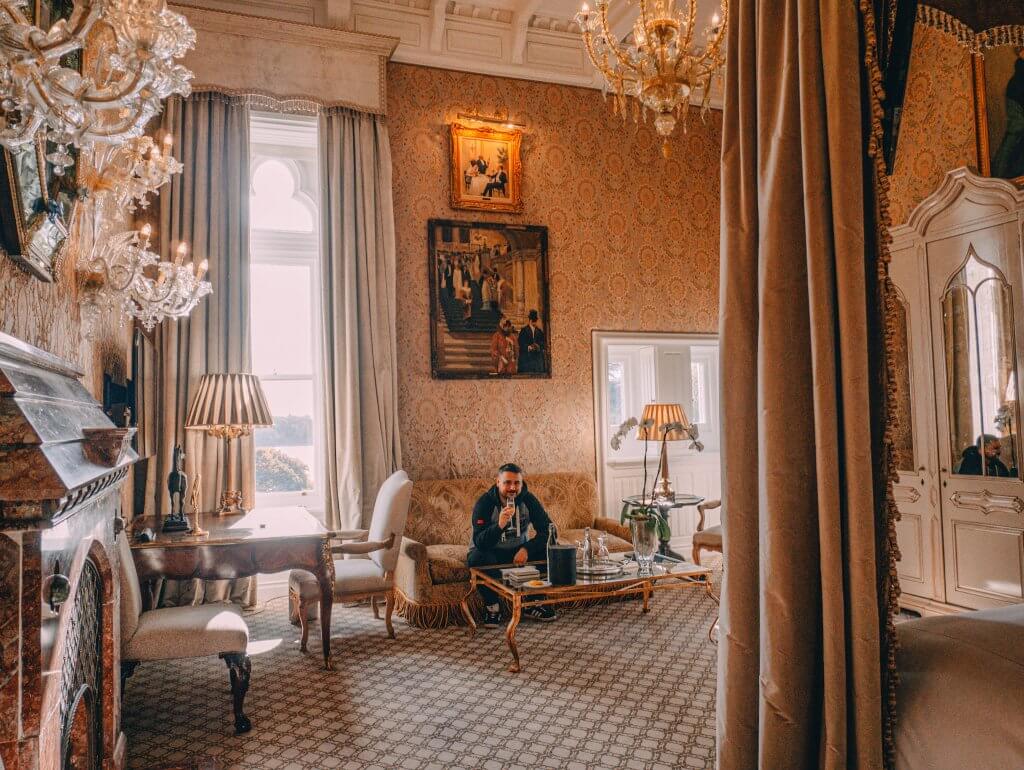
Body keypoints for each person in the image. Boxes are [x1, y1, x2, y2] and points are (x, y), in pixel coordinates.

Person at [467, 463, 558, 626]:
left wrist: (527, 548)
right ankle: (492, 607)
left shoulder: (528, 499)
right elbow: (480, 542)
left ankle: (533, 602)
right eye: (507, 482)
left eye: (517, 483)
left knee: (550, 548)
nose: (512, 487)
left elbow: (550, 531)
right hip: (490, 551)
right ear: (498, 482)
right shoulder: (485, 503)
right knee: (477, 557)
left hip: (518, 552)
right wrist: (499, 525)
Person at [992, 48, 1024, 180]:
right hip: (1017, 99)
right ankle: (999, 173)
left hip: (1018, 98)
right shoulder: (1020, 69)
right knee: (1016, 130)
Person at [518, 309, 547, 373]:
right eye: (534, 321)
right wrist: (528, 347)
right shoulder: (524, 330)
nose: (535, 323)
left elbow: (543, 342)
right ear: (530, 320)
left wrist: (538, 346)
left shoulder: (539, 331)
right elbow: (521, 343)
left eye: (535, 321)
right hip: (527, 358)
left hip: (537, 358)